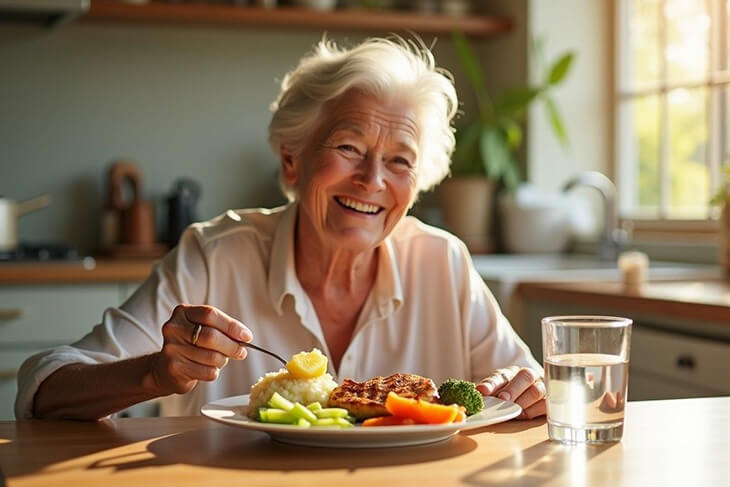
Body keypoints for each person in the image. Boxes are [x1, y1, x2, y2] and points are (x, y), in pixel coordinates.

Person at [16, 36, 545, 421]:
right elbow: (45, 385)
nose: (372, 181)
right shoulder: (213, 255)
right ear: (292, 161)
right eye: (348, 148)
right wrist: (156, 372)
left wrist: (532, 389)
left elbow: (530, 391)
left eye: (400, 162)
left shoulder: (443, 260)